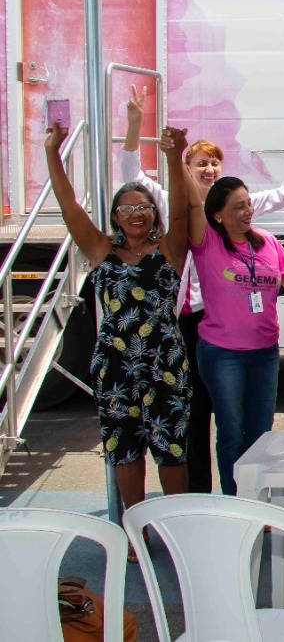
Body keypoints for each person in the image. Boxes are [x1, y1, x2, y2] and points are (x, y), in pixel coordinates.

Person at [120, 84, 284, 493]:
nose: (208, 170)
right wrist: (135, 124)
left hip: (224, 320)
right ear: (186, 166)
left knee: (231, 416)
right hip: (184, 323)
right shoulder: (170, 200)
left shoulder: (235, 205)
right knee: (194, 413)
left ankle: (240, 491)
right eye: (201, 163)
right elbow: (130, 175)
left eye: (214, 164)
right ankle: (199, 493)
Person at [46, 122, 191, 551]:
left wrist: (173, 157)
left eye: (143, 206)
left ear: (154, 213)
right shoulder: (100, 251)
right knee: (124, 450)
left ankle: (175, 528)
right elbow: (69, 204)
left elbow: (182, 210)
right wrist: (53, 152)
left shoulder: (170, 249)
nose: (136, 213)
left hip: (165, 362)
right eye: (126, 208)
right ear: (114, 216)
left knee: (171, 449)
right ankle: (136, 534)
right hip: (114, 364)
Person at [187, 174, 284, 495]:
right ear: (218, 215)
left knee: (261, 433)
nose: (248, 211)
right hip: (223, 354)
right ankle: (234, 500)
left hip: (265, 353)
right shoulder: (207, 241)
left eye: (249, 204)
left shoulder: (266, 241)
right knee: (232, 431)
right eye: (238, 207)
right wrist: (177, 155)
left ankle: (257, 496)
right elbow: (193, 203)